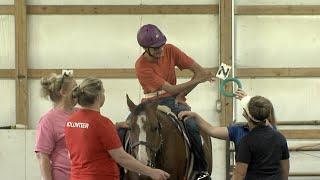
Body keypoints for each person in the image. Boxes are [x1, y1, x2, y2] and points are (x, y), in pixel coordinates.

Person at [135, 23, 213, 177]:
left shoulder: (170, 49)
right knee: (126, 128)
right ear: (146, 49)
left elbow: (199, 71)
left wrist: (184, 92)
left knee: (191, 125)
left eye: (162, 46)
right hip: (150, 102)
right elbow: (171, 88)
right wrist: (198, 80)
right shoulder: (141, 66)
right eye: (156, 48)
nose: (161, 50)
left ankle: (200, 170)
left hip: (173, 100)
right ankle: (122, 171)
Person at [64, 77, 170, 180]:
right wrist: (151, 171)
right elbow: (121, 158)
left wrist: (116, 126)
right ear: (98, 97)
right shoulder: (102, 123)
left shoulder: (70, 122)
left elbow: (85, 143)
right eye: (103, 92)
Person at [178, 89, 277, 156]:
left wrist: (195, 116)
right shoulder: (274, 134)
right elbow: (267, 113)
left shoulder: (239, 132)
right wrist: (250, 101)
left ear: (245, 115)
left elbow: (211, 130)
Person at [231, 95, 290, 180]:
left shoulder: (246, 141)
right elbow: (285, 170)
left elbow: (239, 175)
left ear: (246, 115)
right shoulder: (280, 137)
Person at [35, 73, 77, 180]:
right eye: (75, 88)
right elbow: (42, 156)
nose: (79, 91)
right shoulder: (48, 120)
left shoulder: (81, 113)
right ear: (63, 92)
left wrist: (117, 125)